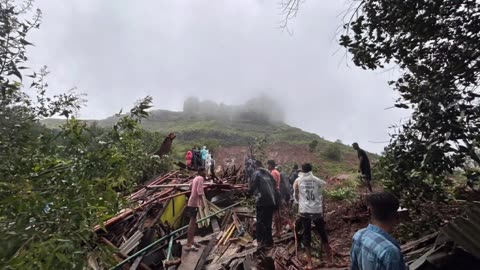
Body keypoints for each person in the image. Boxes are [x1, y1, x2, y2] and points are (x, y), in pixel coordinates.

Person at [350, 192, 406, 270]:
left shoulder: (359, 235)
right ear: (396, 215)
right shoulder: (390, 251)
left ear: (369, 211)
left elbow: (354, 267)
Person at [293, 163, 332, 270]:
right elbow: (322, 193)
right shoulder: (317, 180)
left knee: (307, 235)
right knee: (323, 234)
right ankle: (330, 261)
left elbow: (295, 195)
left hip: (304, 211)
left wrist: (299, 203)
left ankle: (310, 263)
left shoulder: (298, 181)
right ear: (311, 169)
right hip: (316, 211)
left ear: (302, 170)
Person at [249, 160, 277, 249]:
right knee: (268, 221)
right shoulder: (268, 173)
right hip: (272, 201)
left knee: (260, 222)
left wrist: (248, 194)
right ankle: (270, 241)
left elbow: (252, 186)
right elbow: (275, 184)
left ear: (255, 166)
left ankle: (261, 241)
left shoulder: (256, 173)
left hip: (262, 202)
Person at [184, 168, 206, 251]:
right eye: (204, 171)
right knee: (192, 222)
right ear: (201, 172)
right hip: (194, 203)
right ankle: (189, 244)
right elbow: (200, 191)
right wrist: (203, 203)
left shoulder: (195, 178)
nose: (206, 172)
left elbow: (190, 187)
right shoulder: (200, 178)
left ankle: (192, 241)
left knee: (193, 222)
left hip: (191, 201)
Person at [267, 160, 283, 238]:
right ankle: (280, 230)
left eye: (268, 165)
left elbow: (272, 184)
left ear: (271, 165)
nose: (267, 166)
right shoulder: (277, 172)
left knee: (275, 213)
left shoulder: (273, 173)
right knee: (278, 212)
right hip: (278, 192)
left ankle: (278, 232)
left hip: (274, 193)